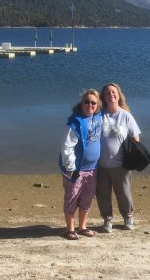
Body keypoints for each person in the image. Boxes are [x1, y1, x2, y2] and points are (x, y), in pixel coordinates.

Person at [96, 82, 141, 232]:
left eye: (113, 92)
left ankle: (128, 216)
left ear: (118, 95)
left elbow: (136, 139)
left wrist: (129, 157)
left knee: (124, 193)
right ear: (103, 97)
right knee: (102, 194)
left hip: (121, 165)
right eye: (107, 93)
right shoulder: (99, 115)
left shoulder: (126, 116)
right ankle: (107, 219)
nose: (111, 95)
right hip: (101, 165)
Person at [59, 89, 103, 240]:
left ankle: (82, 227)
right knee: (72, 197)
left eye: (93, 103)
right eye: (87, 102)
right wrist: (70, 167)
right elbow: (67, 147)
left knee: (87, 197)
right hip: (75, 170)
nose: (90, 105)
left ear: (97, 105)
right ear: (81, 103)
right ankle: (70, 230)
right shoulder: (74, 122)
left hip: (92, 169)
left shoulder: (98, 117)